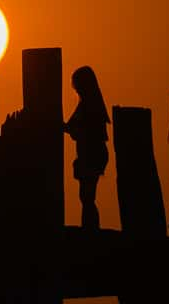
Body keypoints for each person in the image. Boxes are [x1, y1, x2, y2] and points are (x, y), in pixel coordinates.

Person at [64, 66, 110, 230]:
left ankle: (90, 228)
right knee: (86, 196)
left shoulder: (90, 105)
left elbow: (87, 132)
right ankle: (90, 227)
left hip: (92, 153)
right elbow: (71, 126)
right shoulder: (86, 103)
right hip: (88, 153)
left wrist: (71, 130)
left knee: (87, 195)